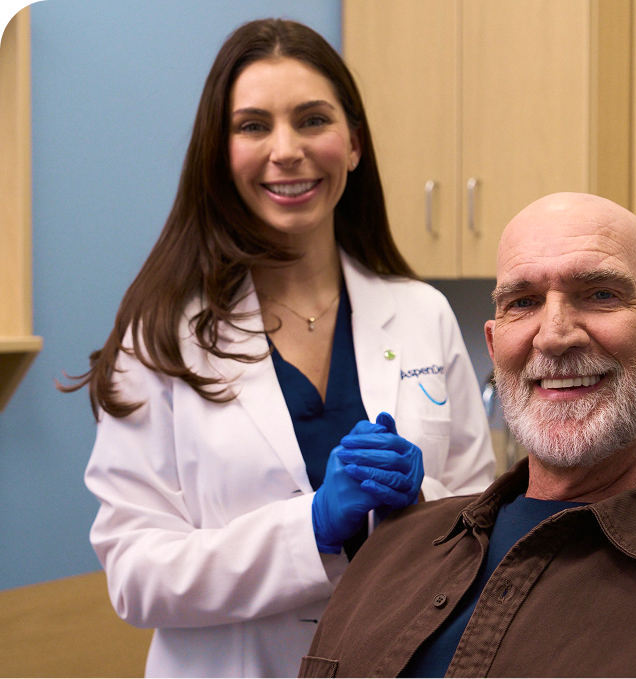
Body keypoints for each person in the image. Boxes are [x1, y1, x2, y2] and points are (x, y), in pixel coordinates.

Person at [64, 19, 495, 678]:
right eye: (253, 125)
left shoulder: (420, 314)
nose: (286, 150)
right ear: (220, 152)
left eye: (312, 119)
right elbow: (135, 571)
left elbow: (482, 520)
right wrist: (313, 525)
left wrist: (420, 502)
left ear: (353, 144)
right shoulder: (159, 334)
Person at [300, 193, 636, 678]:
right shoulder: (391, 551)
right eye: (523, 302)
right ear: (494, 347)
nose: (555, 335)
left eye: (601, 294)